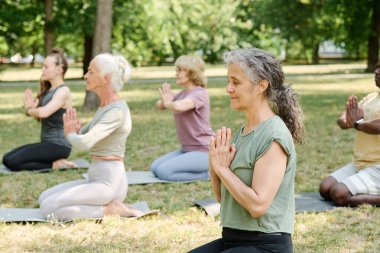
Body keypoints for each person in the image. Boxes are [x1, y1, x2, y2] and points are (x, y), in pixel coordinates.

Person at [189, 48, 304, 253]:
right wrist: (214, 164)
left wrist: (224, 169)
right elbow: (224, 200)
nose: (228, 89)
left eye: (236, 82)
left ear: (261, 86)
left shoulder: (273, 135)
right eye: (228, 81)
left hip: (265, 246)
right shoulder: (242, 133)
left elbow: (258, 206)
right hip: (232, 240)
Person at [38, 53, 144, 221]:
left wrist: (70, 134)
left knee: (49, 208)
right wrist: (73, 131)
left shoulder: (116, 111)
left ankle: (110, 209)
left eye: (91, 71)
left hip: (110, 184)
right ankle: (105, 206)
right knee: (44, 197)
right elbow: (82, 136)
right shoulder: (105, 106)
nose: (85, 75)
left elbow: (84, 143)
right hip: (96, 178)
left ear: (106, 77)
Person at [2, 47, 75, 171]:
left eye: (46, 67)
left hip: (59, 145)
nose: (43, 70)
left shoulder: (63, 91)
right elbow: (40, 113)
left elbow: (44, 113)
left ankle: (56, 165)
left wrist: (29, 109)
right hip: (47, 144)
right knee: (6, 158)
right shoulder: (49, 91)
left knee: (12, 162)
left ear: (58, 69)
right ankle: (54, 162)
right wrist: (32, 108)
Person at [319, 64, 380, 207]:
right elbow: (344, 118)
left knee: (339, 194)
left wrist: (357, 123)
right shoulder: (371, 98)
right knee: (325, 189)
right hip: (361, 163)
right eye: (376, 67)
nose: (376, 71)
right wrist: (348, 122)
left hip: (378, 166)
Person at [150, 55, 213, 181]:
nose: (176, 74)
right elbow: (159, 105)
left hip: (205, 151)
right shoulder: (182, 94)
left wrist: (168, 103)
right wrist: (165, 101)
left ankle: (209, 174)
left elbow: (180, 106)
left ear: (192, 72)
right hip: (187, 150)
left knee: (164, 171)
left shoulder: (200, 94)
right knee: (155, 167)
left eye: (179, 70)